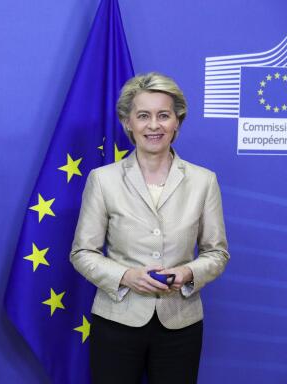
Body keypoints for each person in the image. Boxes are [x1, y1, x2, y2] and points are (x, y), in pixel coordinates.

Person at [70, 72, 229, 384]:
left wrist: (187, 274)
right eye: (143, 116)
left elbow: (217, 253)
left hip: (180, 324)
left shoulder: (203, 181)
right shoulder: (103, 180)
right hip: (116, 321)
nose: (153, 125)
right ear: (128, 123)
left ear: (177, 122)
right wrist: (126, 276)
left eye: (163, 115)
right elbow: (82, 252)